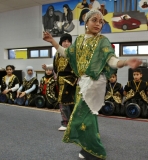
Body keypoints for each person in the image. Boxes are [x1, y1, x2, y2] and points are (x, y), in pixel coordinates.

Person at [43, 9, 142, 160]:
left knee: (85, 117)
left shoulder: (102, 41)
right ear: (86, 22)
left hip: (95, 83)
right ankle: (86, 147)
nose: (98, 24)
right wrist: (52, 42)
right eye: (94, 20)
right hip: (81, 84)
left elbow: (111, 60)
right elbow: (66, 53)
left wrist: (125, 62)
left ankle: (94, 150)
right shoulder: (80, 40)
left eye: (101, 21)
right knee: (83, 117)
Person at [43, 33, 77, 131]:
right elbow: (55, 66)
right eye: (64, 41)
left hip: (71, 80)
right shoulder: (57, 53)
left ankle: (68, 123)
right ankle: (67, 122)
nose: (66, 43)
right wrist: (47, 67)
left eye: (68, 41)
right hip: (60, 80)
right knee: (63, 102)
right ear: (61, 42)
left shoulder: (73, 53)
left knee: (68, 102)